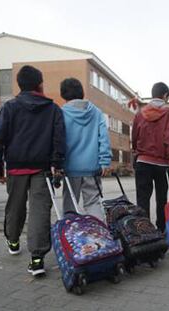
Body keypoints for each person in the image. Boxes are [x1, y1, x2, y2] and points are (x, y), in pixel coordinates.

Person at [0, 65, 65, 276]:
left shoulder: (10, 108)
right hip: (42, 169)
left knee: (15, 207)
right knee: (40, 211)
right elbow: (59, 140)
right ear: (40, 84)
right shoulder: (53, 109)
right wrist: (58, 165)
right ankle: (37, 259)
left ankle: (13, 241)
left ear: (20, 85)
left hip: (15, 167)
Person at [60, 78, 111, 220]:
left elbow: (58, 141)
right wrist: (104, 161)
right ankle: (99, 235)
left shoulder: (61, 113)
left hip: (70, 169)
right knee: (93, 203)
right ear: (81, 92)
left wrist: (57, 164)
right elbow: (104, 138)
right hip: (92, 168)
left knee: (69, 206)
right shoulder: (96, 112)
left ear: (63, 94)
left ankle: (71, 237)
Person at [132, 82, 169, 232]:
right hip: (161, 164)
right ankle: (161, 229)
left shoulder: (140, 113)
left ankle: (144, 231)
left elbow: (135, 136)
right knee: (161, 199)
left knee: (142, 199)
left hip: (142, 161)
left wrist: (136, 151)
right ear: (165, 95)